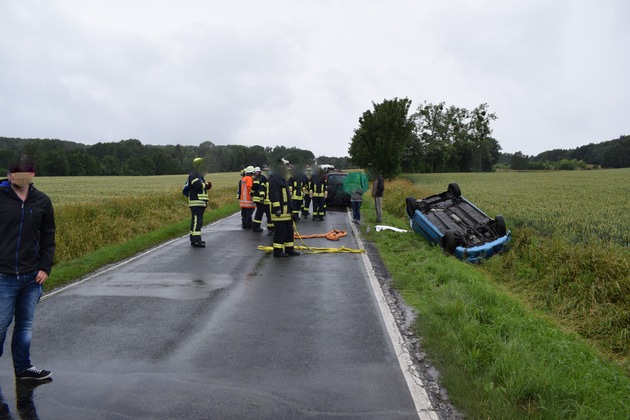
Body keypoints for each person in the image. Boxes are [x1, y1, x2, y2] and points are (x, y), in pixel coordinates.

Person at [0, 158, 55, 380]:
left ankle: (23, 368)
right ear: (10, 175)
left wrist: (45, 267)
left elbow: (48, 236)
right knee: (0, 325)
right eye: (16, 173)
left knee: (24, 326)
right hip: (3, 276)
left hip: (32, 277)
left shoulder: (42, 201)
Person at [268, 162, 300, 258]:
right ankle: (277, 252)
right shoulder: (274, 180)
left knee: (289, 232)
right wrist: (277, 208)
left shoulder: (283, 180)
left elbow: (288, 198)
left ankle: (289, 249)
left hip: (287, 213)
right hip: (279, 213)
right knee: (280, 233)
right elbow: (273, 195)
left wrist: (292, 211)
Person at [186, 158, 212, 247]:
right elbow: (198, 185)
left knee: (196, 221)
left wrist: (207, 185)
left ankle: (193, 239)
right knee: (197, 221)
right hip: (196, 202)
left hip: (200, 203)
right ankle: (197, 240)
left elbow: (203, 184)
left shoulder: (199, 176)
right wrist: (206, 185)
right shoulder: (193, 175)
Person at [251, 166, 274, 234]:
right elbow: (260, 189)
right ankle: (270, 228)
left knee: (259, 212)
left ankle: (256, 226)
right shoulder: (262, 178)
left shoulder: (259, 178)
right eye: (255, 172)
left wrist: (252, 194)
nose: (255, 173)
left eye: (256, 172)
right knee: (267, 213)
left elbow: (255, 188)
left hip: (261, 199)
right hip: (262, 199)